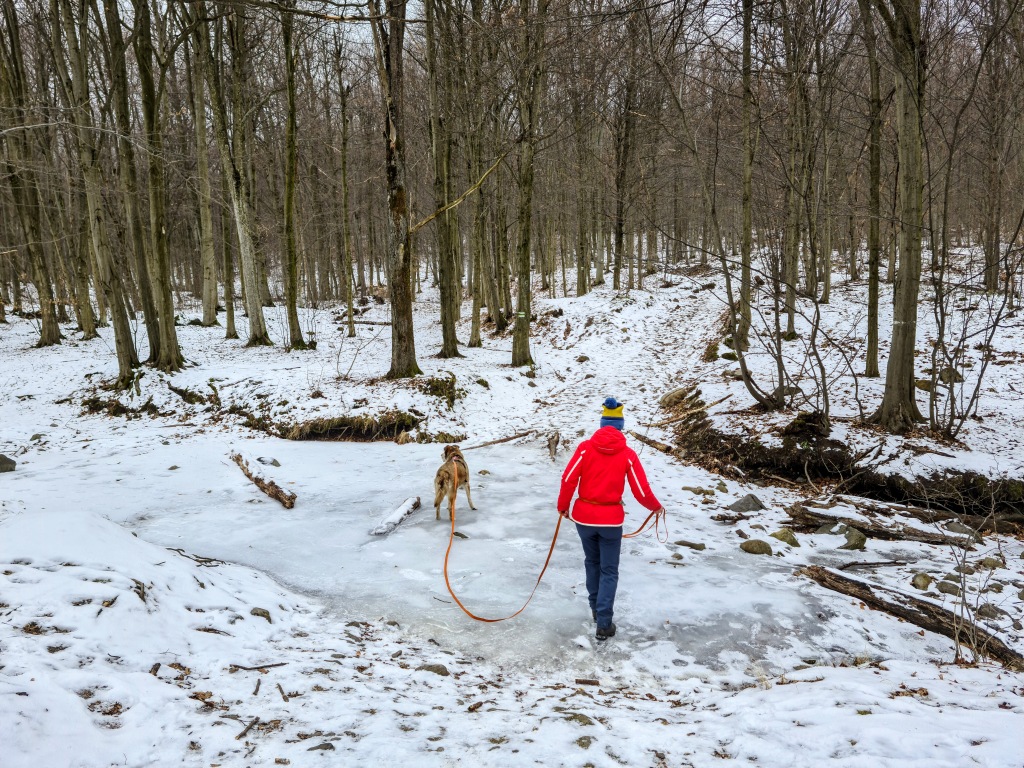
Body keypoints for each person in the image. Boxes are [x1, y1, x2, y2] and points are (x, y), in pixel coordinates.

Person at [557, 397, 664, 640]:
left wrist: (563, 506)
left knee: (592, 563)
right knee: (609, 569)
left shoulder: (585, 448)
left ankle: (596, 610)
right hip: (610, 522)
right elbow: (640, 488)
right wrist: (655, 507)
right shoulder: (627, 454)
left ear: (602, 424)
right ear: (620, 427)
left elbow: (568, 479)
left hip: (584, 518)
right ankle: (604, 623)